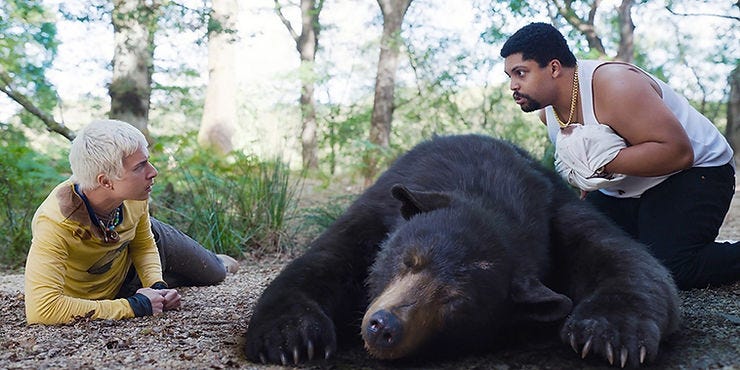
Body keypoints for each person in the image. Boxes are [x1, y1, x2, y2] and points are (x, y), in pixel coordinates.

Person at [500, 22, 740, 290]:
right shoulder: (548, 113)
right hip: (624, 190)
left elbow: (678, 153)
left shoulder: (616, 85)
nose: (513, 85)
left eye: (521, 73)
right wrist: (583, 182)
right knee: (571, 254)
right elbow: (583, 166)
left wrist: (599, 163)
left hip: (695, 173)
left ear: (554, 68)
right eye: (510, 76)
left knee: (672, 267)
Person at [25, 119, 239, 325]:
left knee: (215, 273)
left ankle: (216, 261)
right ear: (106, 181)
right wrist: (135, 306)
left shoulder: (134, 197)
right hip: (109, 291)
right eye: (140, 166)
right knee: (183, 279)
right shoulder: (55, 223)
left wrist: (155, 286)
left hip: (132, 261)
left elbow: (144, 243)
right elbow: (42, 309)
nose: (153, 172)